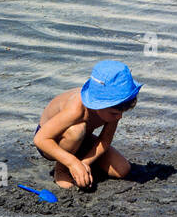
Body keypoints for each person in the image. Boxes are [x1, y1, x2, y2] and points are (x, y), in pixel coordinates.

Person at [33, 60, 141, 190]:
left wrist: (85, 163)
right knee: (76, 131)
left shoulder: (114, 109)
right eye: (114, 113)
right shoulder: (76, 110)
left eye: (121, 113)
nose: (119, 117)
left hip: (82, 137)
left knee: (122, 169)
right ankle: (61, 169)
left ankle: (78, 158)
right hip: (51, 140)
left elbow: (105, 140)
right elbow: (40, 139)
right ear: (98, 105)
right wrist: (72, 163)